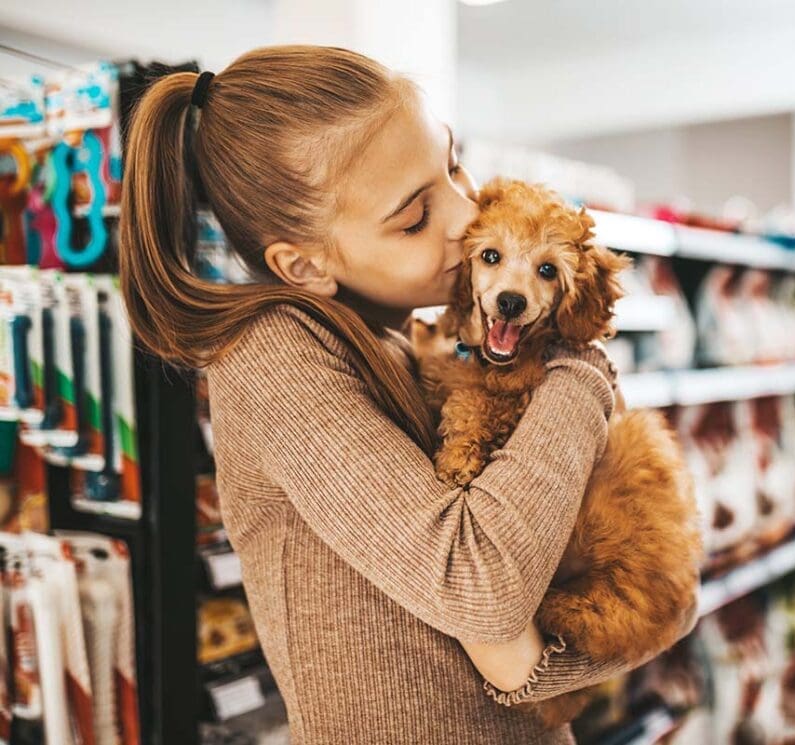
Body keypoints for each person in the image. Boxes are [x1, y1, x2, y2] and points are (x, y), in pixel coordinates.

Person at [119, 45, 660, 743]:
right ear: (303, 265)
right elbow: (484, 587)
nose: (466, 216)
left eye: (453, 165)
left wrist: (639, 619)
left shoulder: (410, 337)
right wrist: (579, 369)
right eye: (413, 218)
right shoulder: (272, 354)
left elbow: (523, 647)